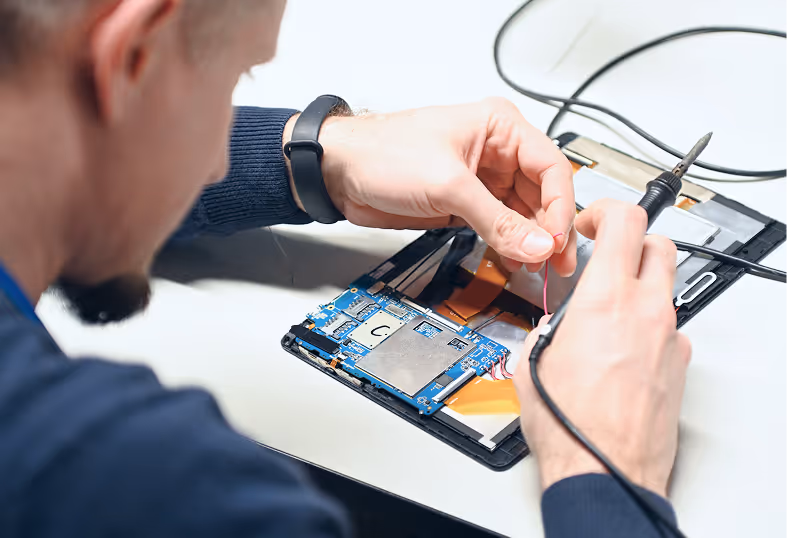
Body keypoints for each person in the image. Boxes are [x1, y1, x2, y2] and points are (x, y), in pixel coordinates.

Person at [0, 0, 691, 537]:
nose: (212, 162)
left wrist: (311, 156)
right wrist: (600, 473)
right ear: (132, 58)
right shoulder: (149, 487)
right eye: (231, 81)